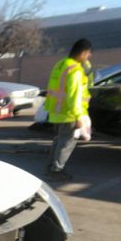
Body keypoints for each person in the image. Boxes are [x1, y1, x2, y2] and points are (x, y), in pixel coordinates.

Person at [45, 38, 92, 181]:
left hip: (56, 111)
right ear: (83, 53)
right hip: (69, 113)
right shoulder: (75, 70)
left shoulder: (61, 64)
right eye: (89, 53)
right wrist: (78, 117)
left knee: (59, 140)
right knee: (66, 143)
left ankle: (51, 167)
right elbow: (74, 96)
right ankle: (57, 170)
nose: (89, 56)